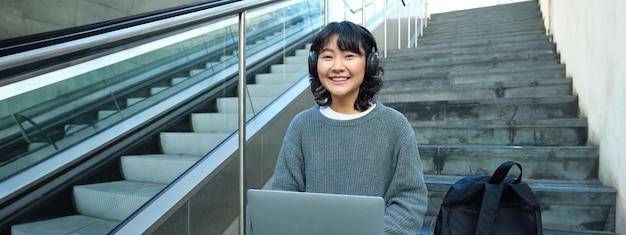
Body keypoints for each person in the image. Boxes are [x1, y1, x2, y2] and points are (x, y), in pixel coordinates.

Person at [271, 21, 428, 235]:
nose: (337, 66)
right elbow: (283, 197)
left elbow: (410, 200)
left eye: (349, 56)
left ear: (370, 63)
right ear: (314, 64)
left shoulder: (395, 126)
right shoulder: (301, 126)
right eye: (327, 57)